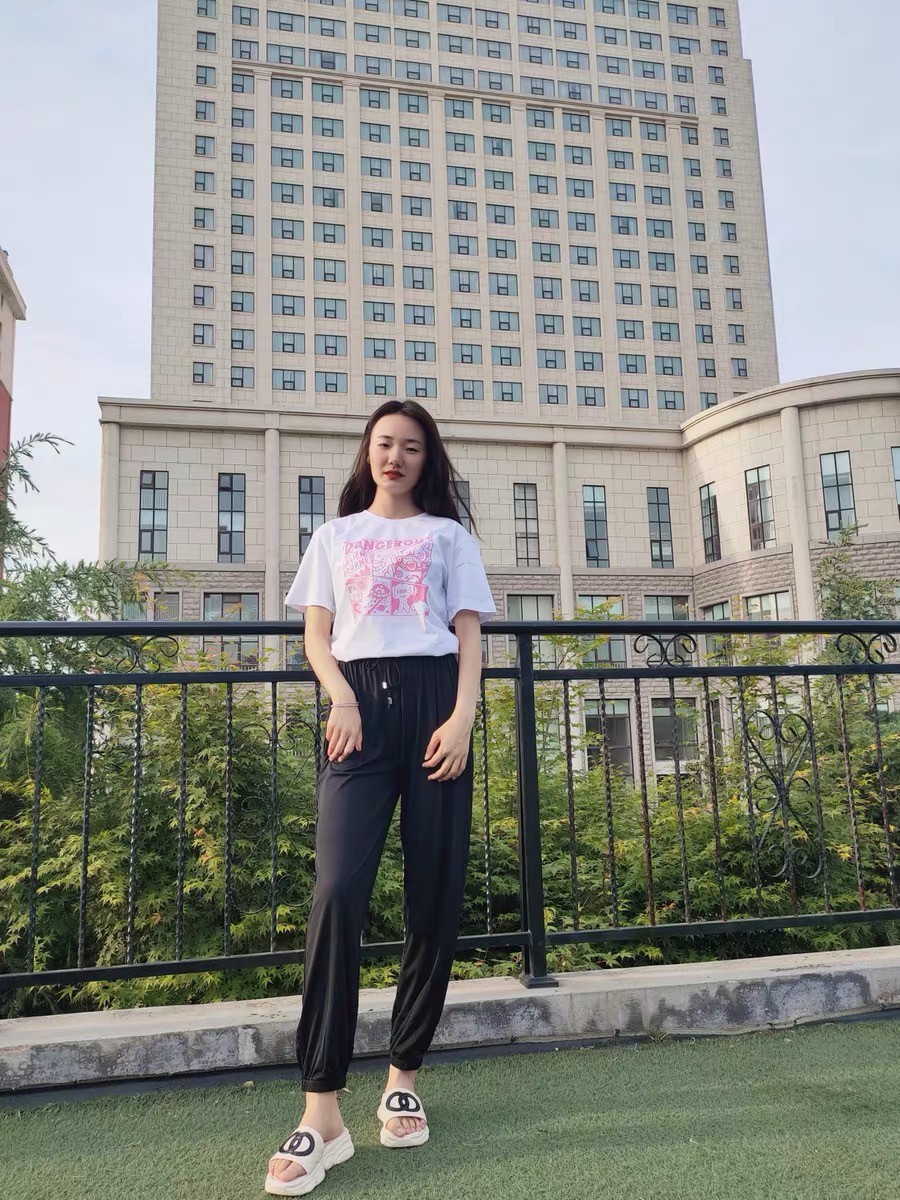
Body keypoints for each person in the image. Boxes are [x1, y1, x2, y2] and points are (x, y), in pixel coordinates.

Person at [265, 399, 497, 1196]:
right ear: (367, 453)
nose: (396, 456)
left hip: (436, 709)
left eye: (412, 447)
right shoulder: (334, 537)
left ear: (429, 460)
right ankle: (321, 1111)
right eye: (384, 444)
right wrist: (341, 697)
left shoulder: (449, 537)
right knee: (336, 892)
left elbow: (469, 635)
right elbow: (316, 635)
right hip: (356, 714)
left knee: (434, 893)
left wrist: (463, 718)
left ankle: (404, 1076)